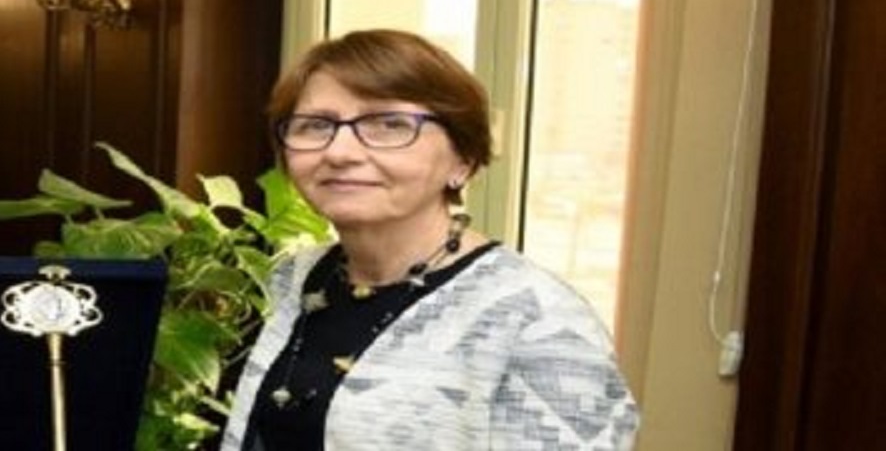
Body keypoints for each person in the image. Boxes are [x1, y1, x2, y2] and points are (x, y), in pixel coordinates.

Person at [220, 29, 639, 451]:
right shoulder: (295, 278)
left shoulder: (538, 320)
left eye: (389, 124)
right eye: (315, 125)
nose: (340, 152)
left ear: (463, 159)